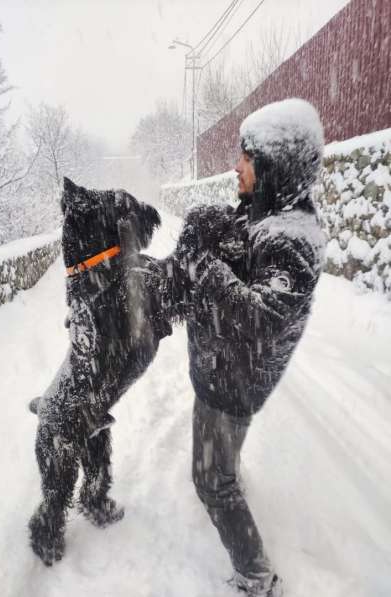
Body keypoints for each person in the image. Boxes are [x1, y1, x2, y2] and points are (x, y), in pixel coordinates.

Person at [173, 98, 326, 595]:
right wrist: (208, 224)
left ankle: (256, 576)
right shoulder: (273, 217)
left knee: (212, 482)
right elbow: (241, 238)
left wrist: (202, 266)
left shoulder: (293, 240)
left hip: (233, 384)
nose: (236, 167)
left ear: (275, 165)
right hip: (224, 372)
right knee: (218, 462)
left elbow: (261, 318)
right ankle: (226, 470)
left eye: (246, 158)